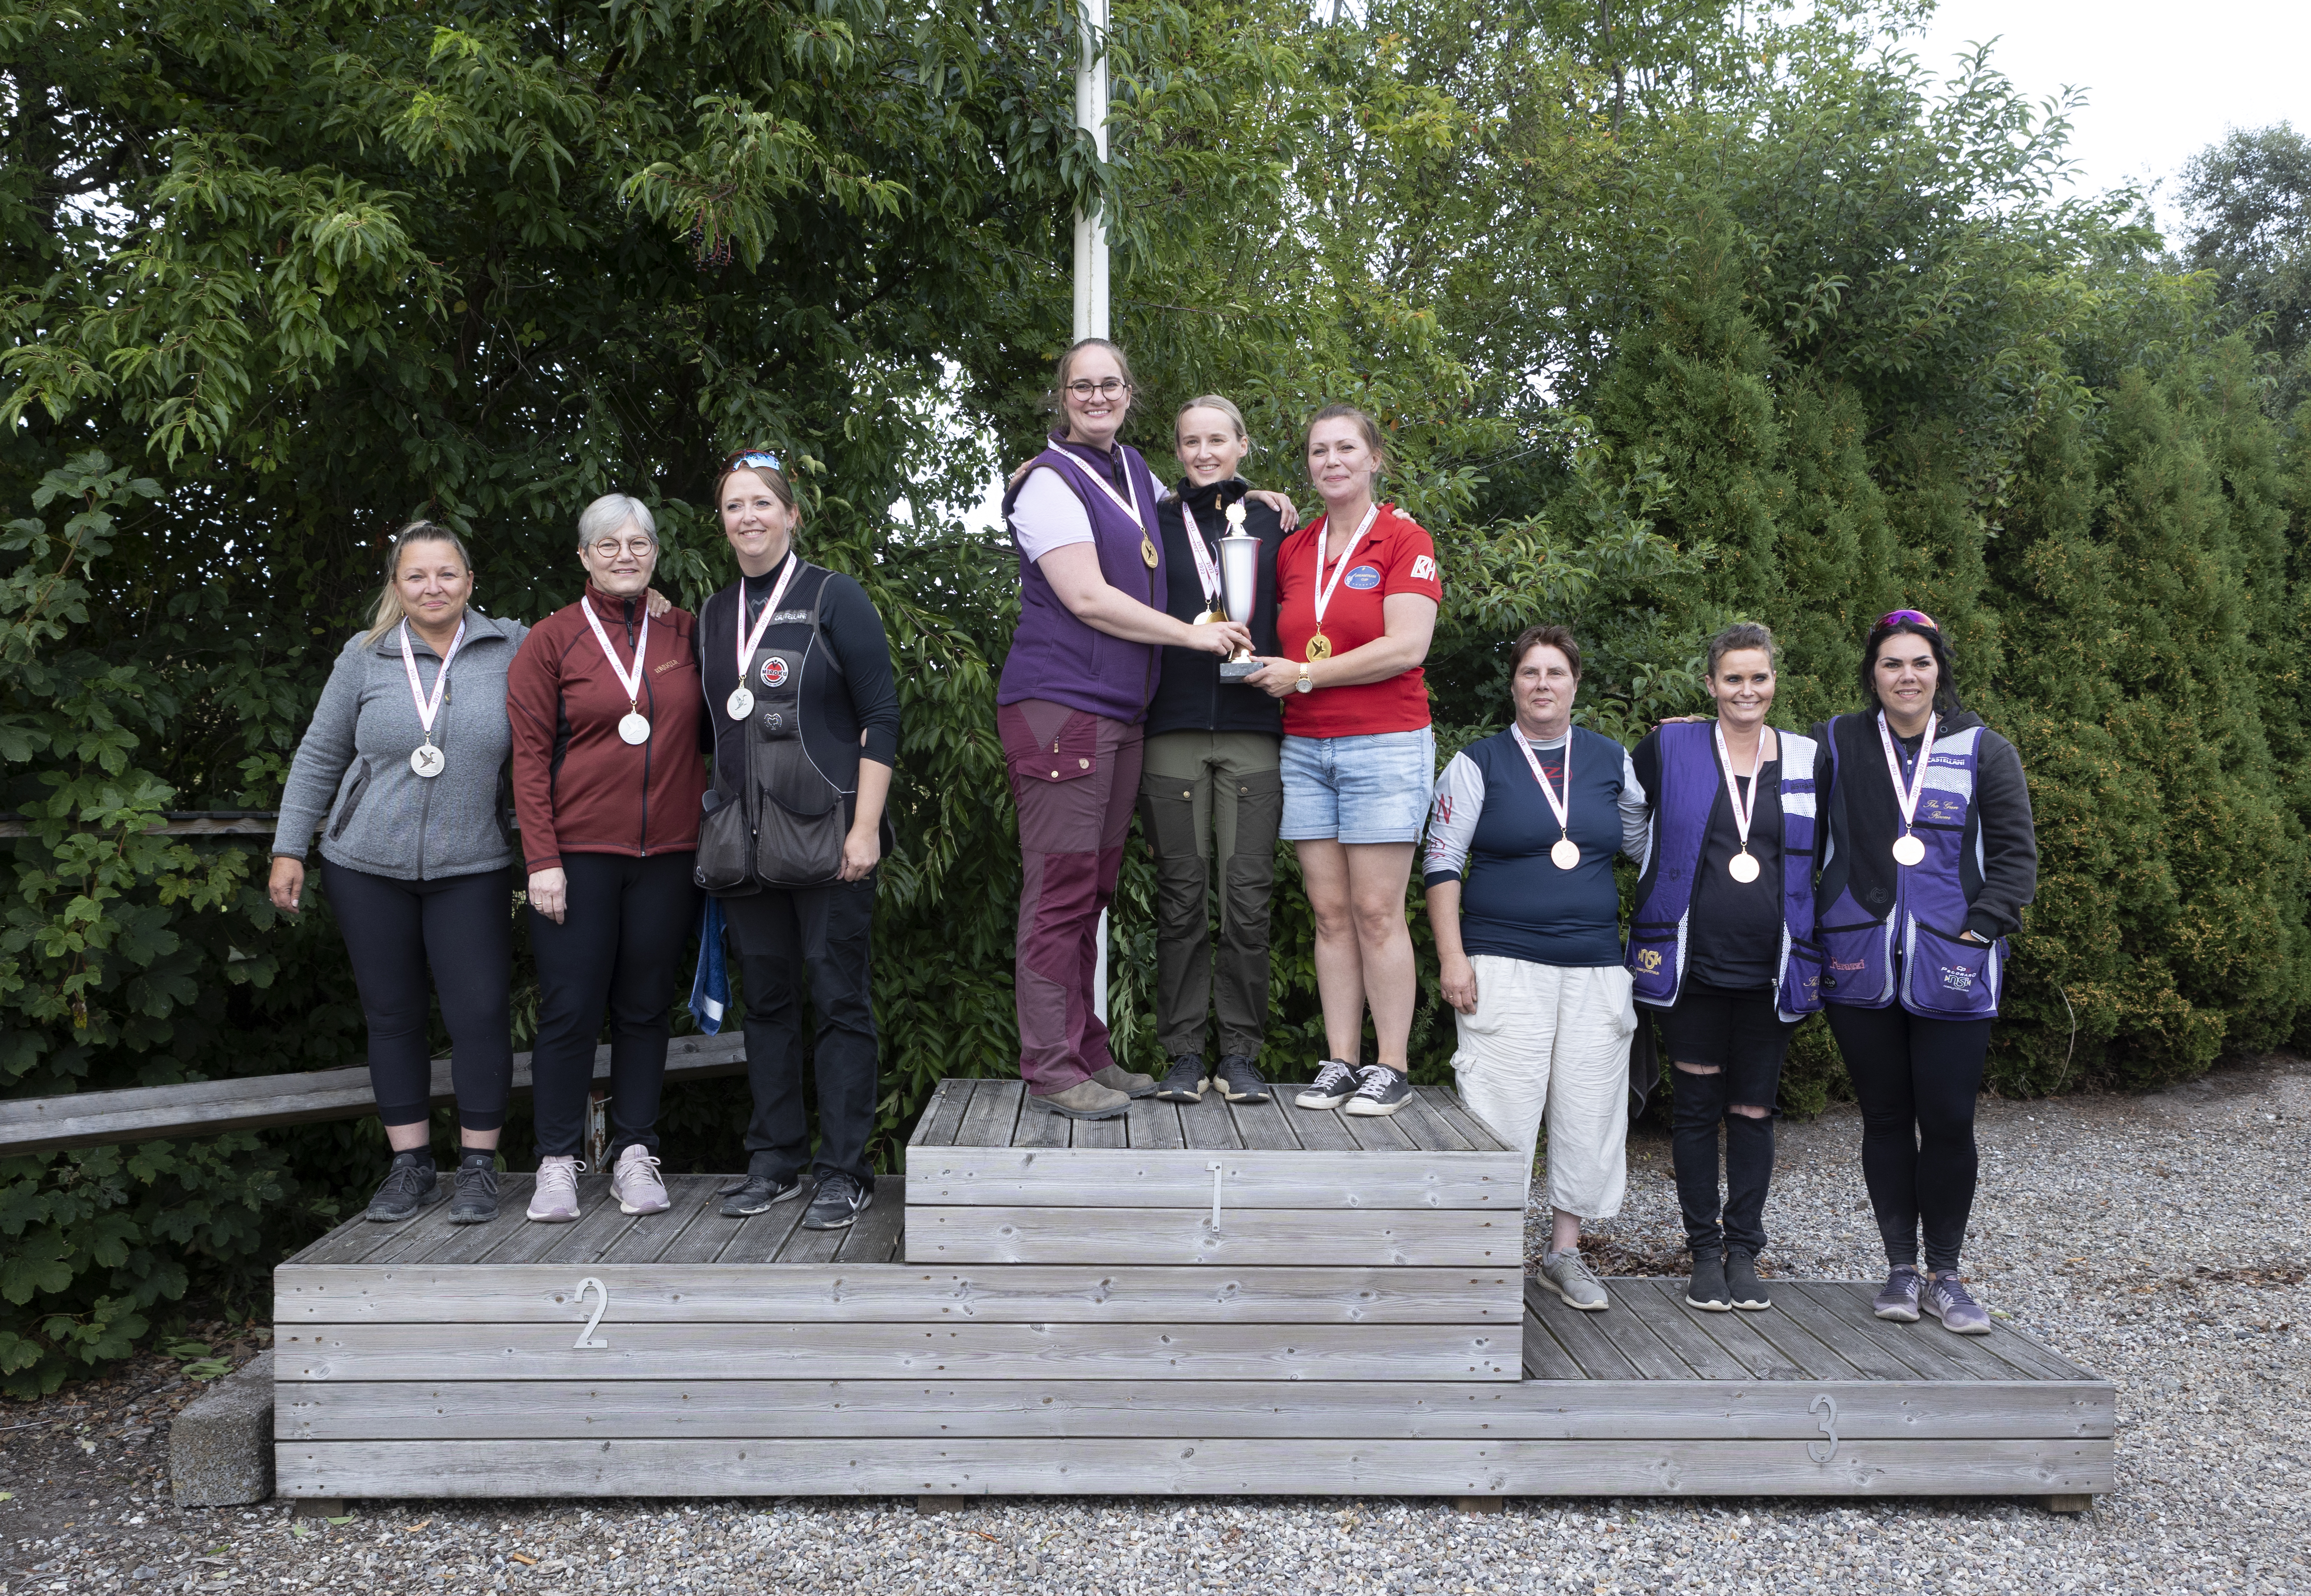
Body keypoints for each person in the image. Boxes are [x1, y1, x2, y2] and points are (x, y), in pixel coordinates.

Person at [998, 340, 1252, 1120]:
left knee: (1094, 890)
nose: (1097, 396)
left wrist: (1257, 496)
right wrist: (1193, 634)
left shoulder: (1133, 470)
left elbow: (1188, 511)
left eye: (1110, 384)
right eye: (1083, 386)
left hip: (1118, 713)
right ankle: (1050, 1067)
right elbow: (1089, 598)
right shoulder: (1047, 483)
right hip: (1061, 708)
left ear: (1130, 393)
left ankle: (1088, 1052)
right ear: (1061, 397)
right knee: (1059, 891)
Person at [269, 521, 527, 1225]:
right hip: (364, 864)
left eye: (447, 574)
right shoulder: (365, 656)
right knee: (392, 1015)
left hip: (471, 862)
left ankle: (477, 1167)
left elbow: (590, 642)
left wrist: (649, 600)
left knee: (478, 1014)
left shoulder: (514, 647)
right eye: (416, 576)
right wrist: (290, 846)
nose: (433, 587)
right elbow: (320, 754)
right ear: (397, 585)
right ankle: (410, 1165)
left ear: (470, 581)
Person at [1814, 610, 2037, 1334]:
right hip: (1859, 962)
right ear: (1872, 674)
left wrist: (1981, 928)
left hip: (1956, 964)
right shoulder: (1837, 743)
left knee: (1946, 1120)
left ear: (1939, 670)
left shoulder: (1984, 749)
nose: (1906, 675)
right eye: (1891, 664)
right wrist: (1694, 733)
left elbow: (2015, 858)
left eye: (1919, 662)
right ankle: (1900, 1270)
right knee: (1883, 1118)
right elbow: (1778, 803)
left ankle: (1946, 1272)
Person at [694, 449, 902, 1228]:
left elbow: (881, 715)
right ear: (722, 523)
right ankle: (775, 1158)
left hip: (830, 838)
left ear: (791, 515)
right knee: (770, 1005)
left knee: (839, 1000)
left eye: (761, 503)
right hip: (743, 847)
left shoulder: (832, 596)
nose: (747, 516)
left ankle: (844, 1168)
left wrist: (867, 827)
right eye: (733, 505)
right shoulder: (713, 615)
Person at [1422, 625, 1644, 1310]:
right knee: (1500, 1112)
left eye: (1555, 672)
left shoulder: (1613, 761)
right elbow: (1440, 861)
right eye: (1529, 672)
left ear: (1576, 683)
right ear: (1513, 684)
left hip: (1594, 966)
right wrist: (1452, 956)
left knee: (1587, 1110)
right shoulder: (1477, 762)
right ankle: (1487, 1255)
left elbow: (1648, 845)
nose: (1542, 684)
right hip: (1501, 963)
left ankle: (1564, 1254)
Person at [506, 495, 708, 1224]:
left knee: (645, 1007)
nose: (626, 554)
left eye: (640, 543)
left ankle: (633, 1151)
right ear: (584, 556)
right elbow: (528, 761)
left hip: (670, 854)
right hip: (578, 856)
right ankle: (557, 1160)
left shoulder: (687, 631)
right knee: (569, 1009)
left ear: (656, 554)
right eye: (609, 544)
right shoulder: (550, 640)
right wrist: (541, 860)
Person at [1243, 404, 1441, 1118]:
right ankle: (1339, 1060)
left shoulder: (1403, 538)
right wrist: (1242, 497)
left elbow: (1405, 647)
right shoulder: (1294, 549)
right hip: (1306, 746)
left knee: (1376, 910)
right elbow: (1216, 551)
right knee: (1329, 913)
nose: (1332, 461)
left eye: (1346, 448)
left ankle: (1391, 1064)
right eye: (1319, 451)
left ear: (1374, 458)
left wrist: (1303, 674)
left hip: (1384, 742)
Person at [1624, 622, 1821, 1315]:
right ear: (1710, 684)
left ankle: (1745, 1251)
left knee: (1754, 1112)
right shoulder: (1670, 745)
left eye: (1759, 677)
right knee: (1699, 1108)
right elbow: (1625, 816)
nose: (1747, 690)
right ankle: (1703, 1252)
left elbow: (1826, 850)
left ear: (1774, 682)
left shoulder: (1805, 757)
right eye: (1732, 678)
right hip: (1691, 966)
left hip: (1774, 968)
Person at [1143, 396, 1301, 1106]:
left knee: (1246, 902)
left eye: (1217, 440)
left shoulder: (1274, 520)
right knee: (1180, 900)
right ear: (1177, 451)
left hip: (1251, 729)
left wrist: (1269, 498)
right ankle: (1181, 1053)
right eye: (1189, 441)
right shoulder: (1149, 518)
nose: (1204, 452)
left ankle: (1239, 1053)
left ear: (1242, 444)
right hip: (1171, 727)